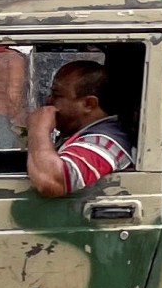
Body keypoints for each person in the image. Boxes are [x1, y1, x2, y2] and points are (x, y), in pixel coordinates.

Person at [26, 60, 133, 199]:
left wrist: (38, 129)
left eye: (57, 95)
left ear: (89, 104)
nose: (48, 102)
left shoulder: (104, 141)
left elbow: (51, 182)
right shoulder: (83, 135)